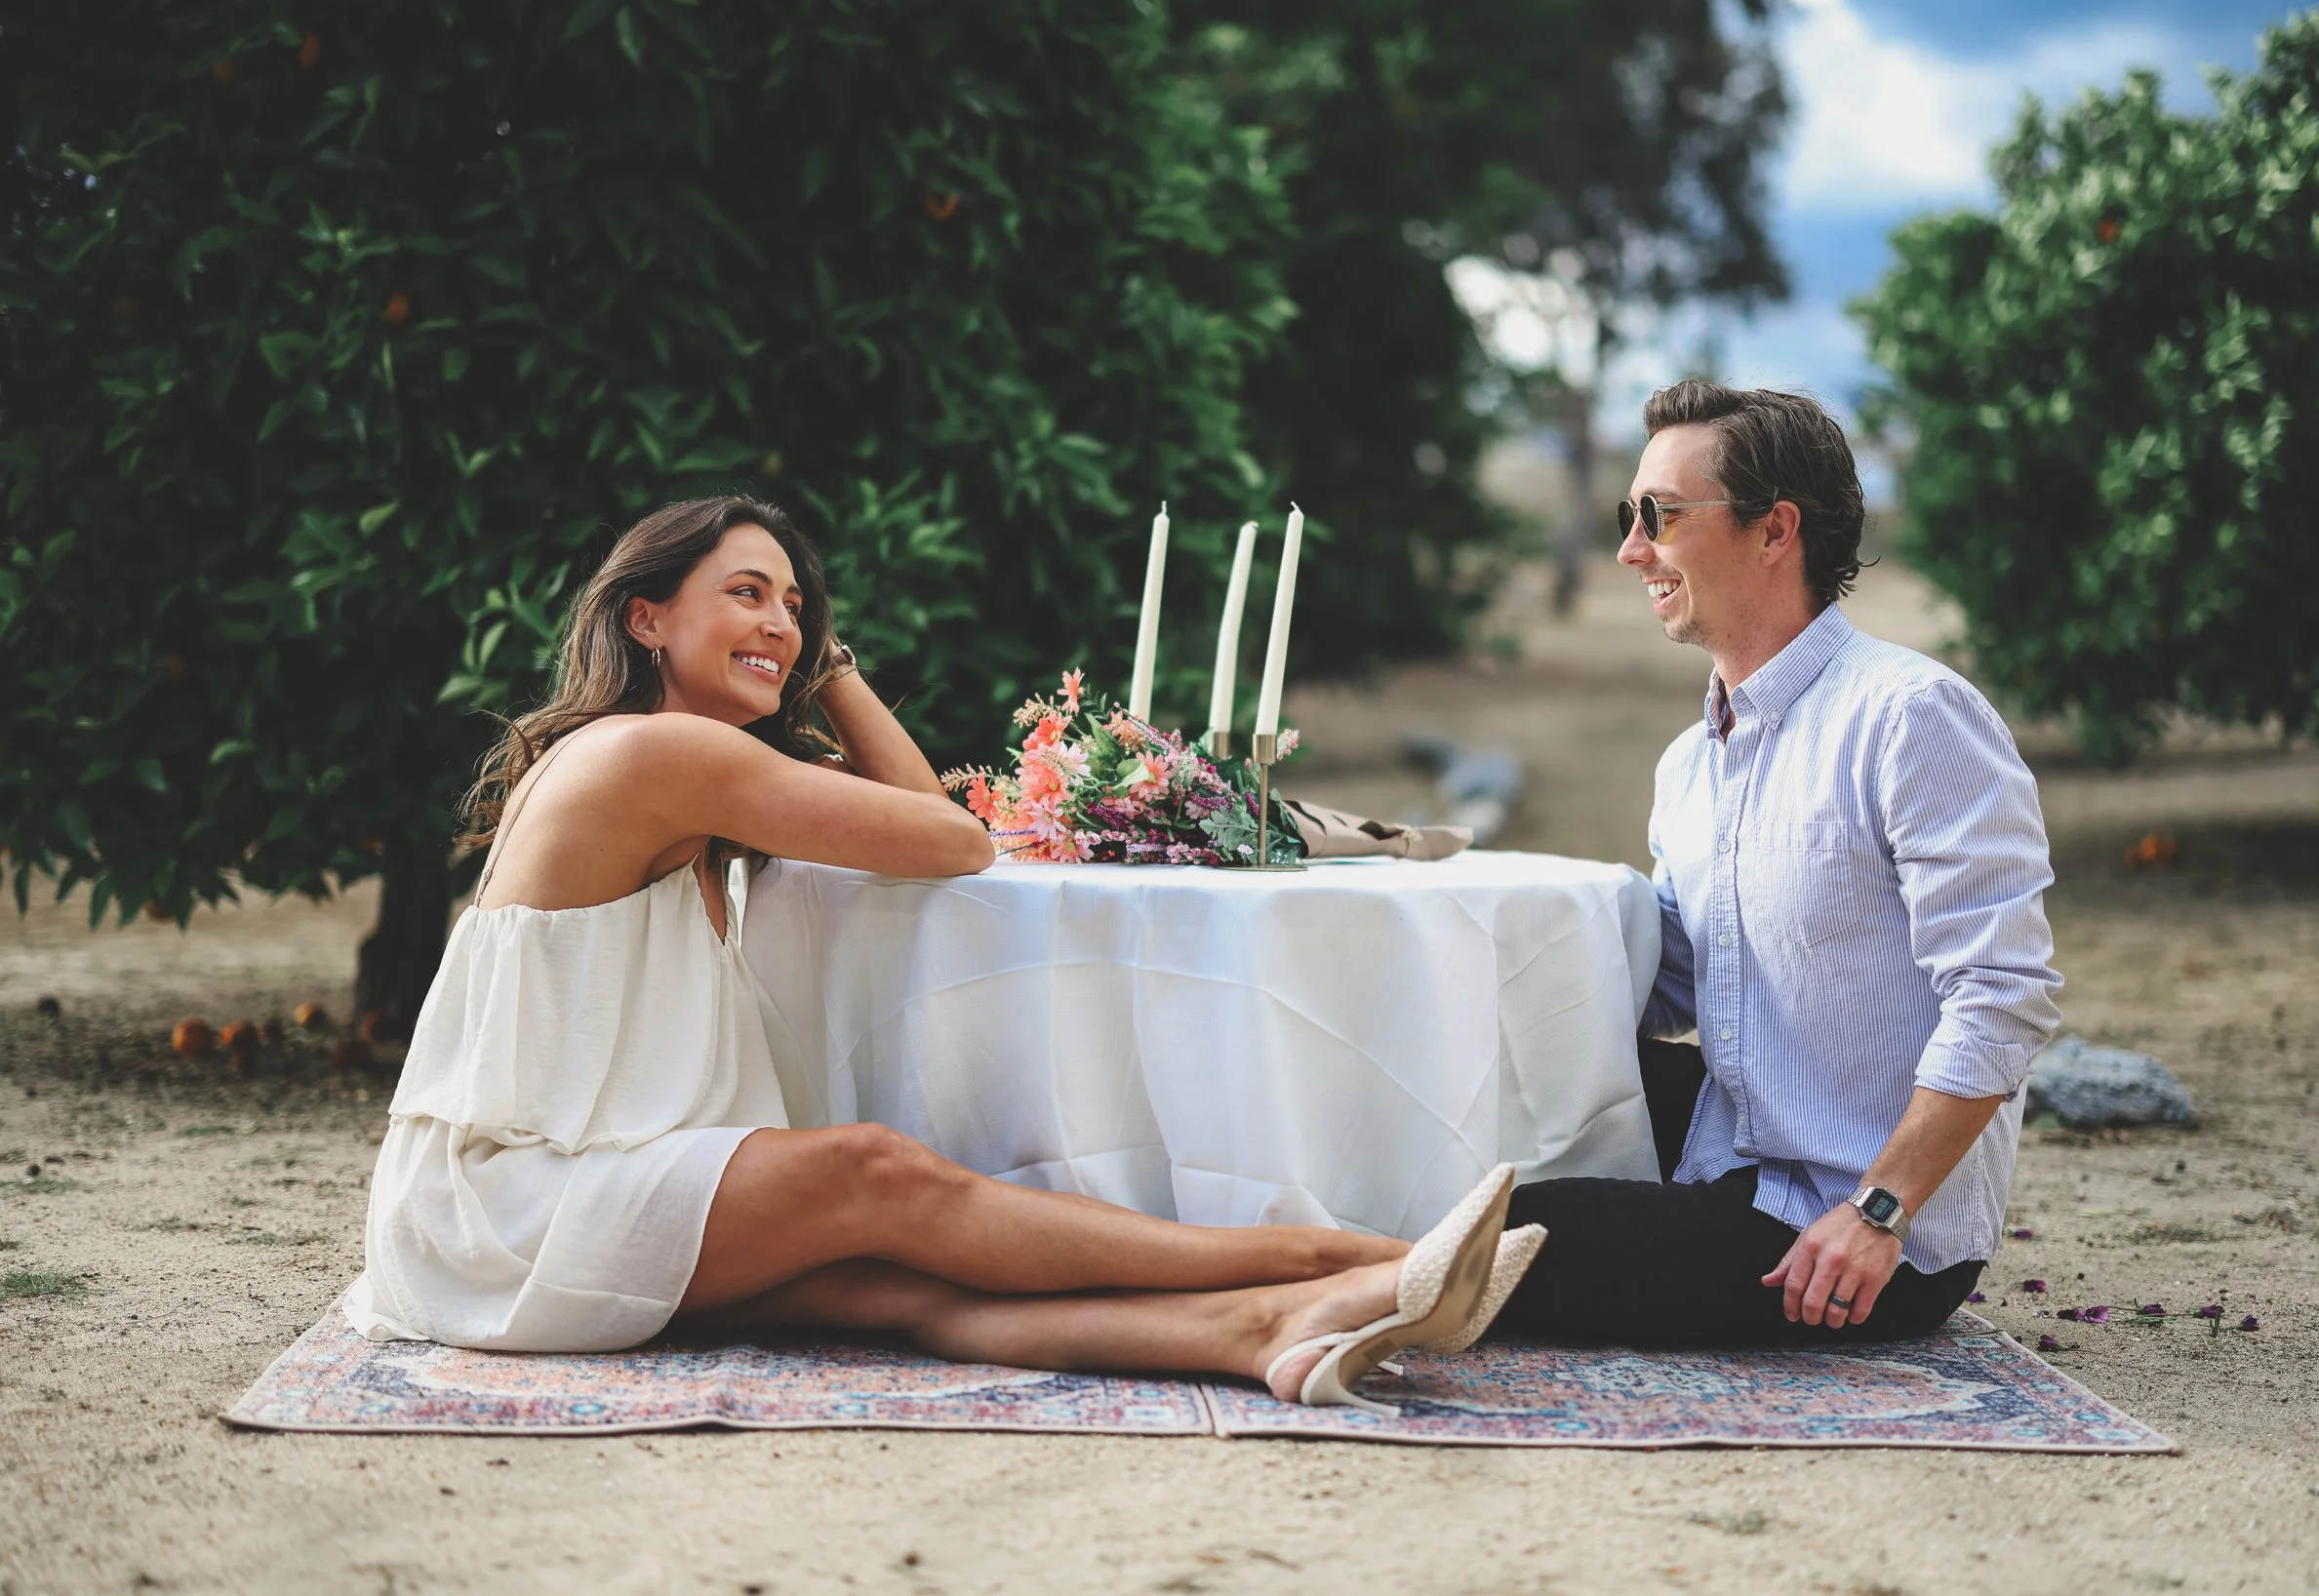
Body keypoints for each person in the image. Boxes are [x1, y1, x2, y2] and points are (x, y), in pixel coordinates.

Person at [342, 495, 1535, 1412]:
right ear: (645, 616)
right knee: (876, 1174)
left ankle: (1268, 1328)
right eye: (747, 593)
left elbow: (926, 832)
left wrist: (825, 671)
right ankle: (1356, 1254)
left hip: (568, 1190)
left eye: (796, 606)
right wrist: (833, 674)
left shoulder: (707, 772)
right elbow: (954, 840)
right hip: (512, 1202)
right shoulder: (654, 756)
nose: (779, 623)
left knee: (904, 1286)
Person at [1495, 380, 2063, 1347]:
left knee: (1491, 1239)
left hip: (1859, 1230)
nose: (1631, 548)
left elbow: (2002, 996)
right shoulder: (1691, 761)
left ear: (1774, 531)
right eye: (1628, 515)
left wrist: (1879, 1210)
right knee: (1483, 1091)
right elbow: (1668, 982)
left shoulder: (1910, 719)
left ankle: (1239, 1309)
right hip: (1737, 1145)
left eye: (1659, 515)